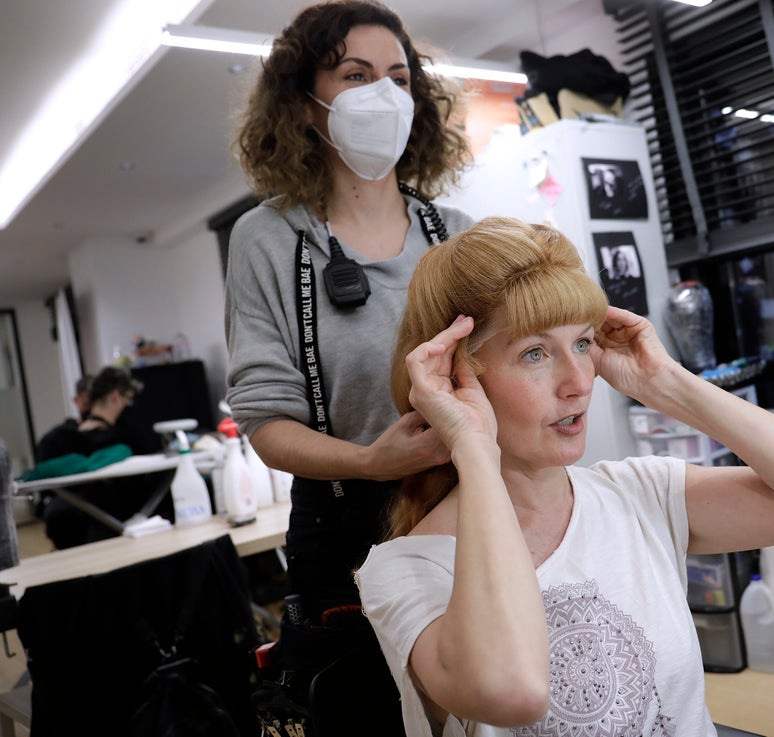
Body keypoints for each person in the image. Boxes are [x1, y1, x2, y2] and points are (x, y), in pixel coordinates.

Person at [357, 217, 774, 735]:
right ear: (454, 378)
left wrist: (668, 384)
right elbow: (512, 690)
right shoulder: (405, 570)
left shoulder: (637, 494)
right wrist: (471, 446)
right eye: (535, 353)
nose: (577, 382)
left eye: (583, 344)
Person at [222, 0, 474, 728]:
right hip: (345, 538)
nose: (383, 96)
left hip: (467, 512)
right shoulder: (268, 240)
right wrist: (371, 461)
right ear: (304, 106)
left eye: (398, 78)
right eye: (356, 76)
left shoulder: (452, 236)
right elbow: (266, 419)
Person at [34, 366, 169, 549]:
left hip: (68, 516)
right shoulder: (125, 438)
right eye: (128, 399)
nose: (129, 405)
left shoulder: (56, 438)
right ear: (116, 396)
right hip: (114, 513)